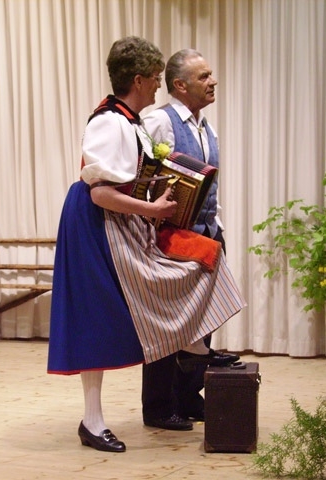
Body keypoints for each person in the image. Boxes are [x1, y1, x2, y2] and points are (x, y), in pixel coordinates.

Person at [46, 36, 246, 453]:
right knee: (97, 321)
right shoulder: (109, 121)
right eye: (155, 78)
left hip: (118, 221)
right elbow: (101, 192)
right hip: (96, 224)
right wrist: (151, 209)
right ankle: (93, 420)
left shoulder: (130, 121)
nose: (158, 85)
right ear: (137, 80)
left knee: (193, 263)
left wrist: (156, 194)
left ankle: (192, 343)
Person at [140, 49, 234, 431]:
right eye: (203, 77)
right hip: (171, 238)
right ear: (179, 85)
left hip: (206, 233)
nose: (213, 82)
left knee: (201, 321)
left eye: (210, 75)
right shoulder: (158, 121)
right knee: (167, 325)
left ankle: (188, 397)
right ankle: (158, 407)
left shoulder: (206, 127)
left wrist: (217, 225)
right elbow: (142, 180)